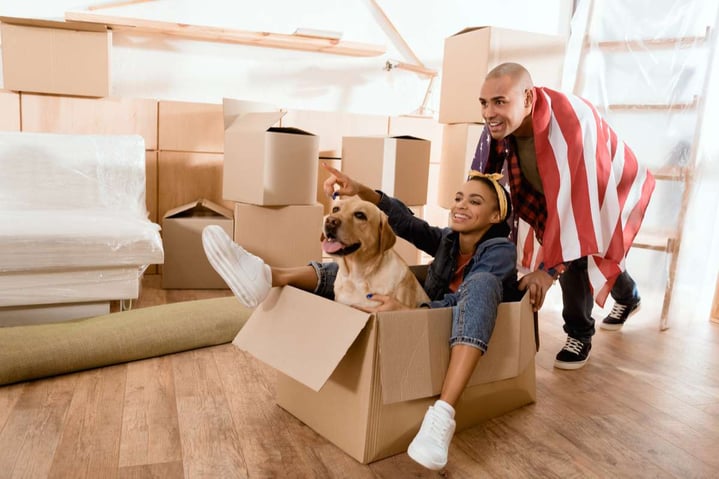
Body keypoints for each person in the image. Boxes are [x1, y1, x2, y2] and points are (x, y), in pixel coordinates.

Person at [201, 164, 521, 471]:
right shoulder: (448, 241)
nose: (461, 206)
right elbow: (406, 223)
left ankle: (442, 415)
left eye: (474, 202)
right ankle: (267, 275)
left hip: (459, 336)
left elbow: (464, 303)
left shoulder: (500, 251)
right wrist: (361, 191)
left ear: (495, 216)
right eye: (458, 198)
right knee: (347, 268)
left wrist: (414, 313)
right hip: (427, 320)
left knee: (481, 284)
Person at [474, 62, 655, 370]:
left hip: (607, 184)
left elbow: (579, 213)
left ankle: (580, 333)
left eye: (499, 101)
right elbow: (485, 181)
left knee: (579, 252)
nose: (489, 112)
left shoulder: (572, 122)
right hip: (552, 189)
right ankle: (629, 295)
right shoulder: (499, 125)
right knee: (584, 251)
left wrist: (548, 272)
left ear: (528, 99)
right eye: (484, 103)